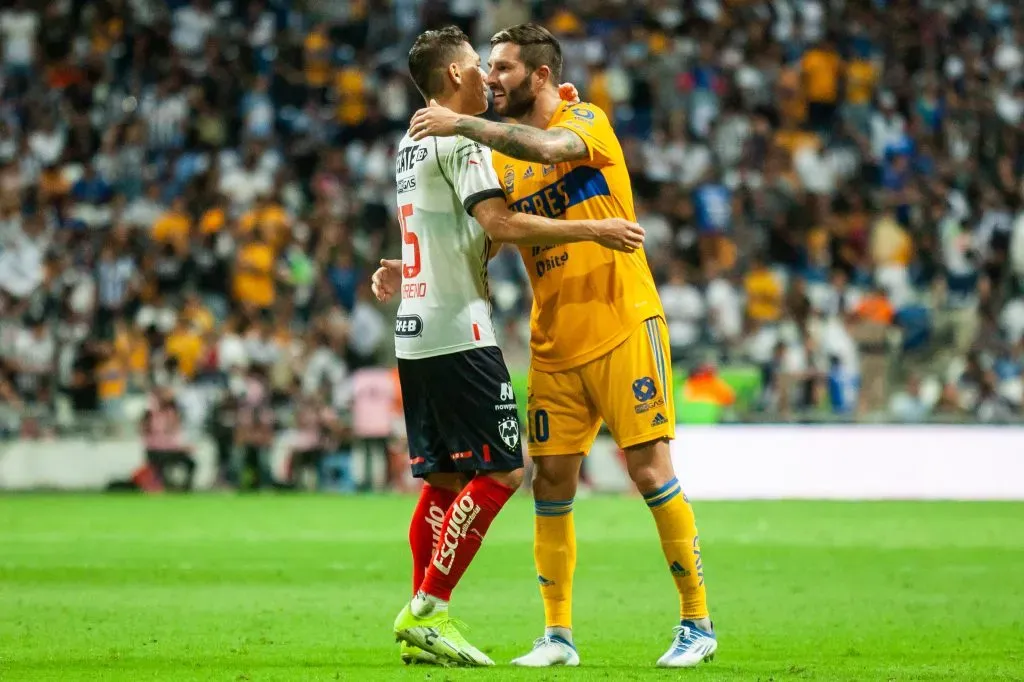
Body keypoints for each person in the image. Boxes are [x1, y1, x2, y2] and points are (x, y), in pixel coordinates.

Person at [406, 22, 716, 668]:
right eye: (487, 67)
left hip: (624, 322)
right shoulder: (498, 158)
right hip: (553, 340)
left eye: (505, 68)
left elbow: (552, 148)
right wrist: (399, 264)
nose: (491, 78)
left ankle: (696, 623)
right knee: (550, 479)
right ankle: (557, 636)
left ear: (540, 75)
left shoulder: (585, 119)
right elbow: (486, 233)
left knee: (649, 471)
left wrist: (462, 125)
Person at [372, 26, 645, 668]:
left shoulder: (409, 145)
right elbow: (497, 223)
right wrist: (591, 229)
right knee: (503, 472)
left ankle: (423, 621)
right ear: (452, 79)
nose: (485, 78)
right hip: (459, 332)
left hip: (415, 328)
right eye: (475, 66)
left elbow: (447, 234)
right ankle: (429, 608)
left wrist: (399, 266)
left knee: (442, 482)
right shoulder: (460, 136)